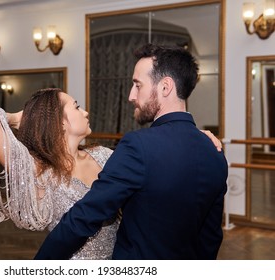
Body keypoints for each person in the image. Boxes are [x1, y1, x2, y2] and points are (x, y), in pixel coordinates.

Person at [0, 87, 222, 260]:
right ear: (59, 121)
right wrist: (25, 118)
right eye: (76, 107)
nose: (85, 112)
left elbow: (155, 159)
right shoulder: (39, 169)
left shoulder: (104, 155)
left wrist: (192, 139)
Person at [34, 44, 228, 260]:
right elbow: (211, 237)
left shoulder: (138, 146)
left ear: (165, 87)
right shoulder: (215, 152)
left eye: (138, 85)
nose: (131, 95)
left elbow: (85, 216)